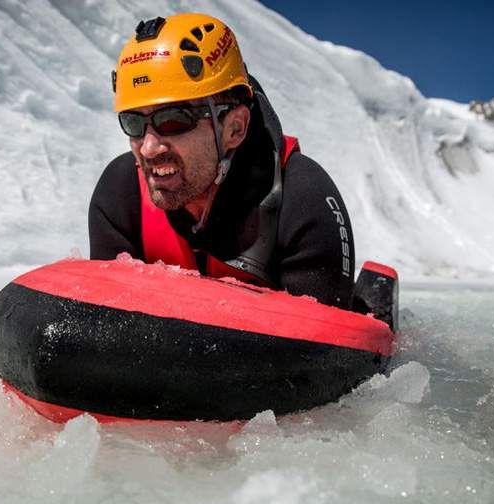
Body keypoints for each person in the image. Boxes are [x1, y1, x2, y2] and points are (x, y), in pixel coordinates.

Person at [89, 13, 356, 310]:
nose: (149, 148)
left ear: (234, 129)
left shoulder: (302, 198)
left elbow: (325, 350)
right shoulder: (121, 190)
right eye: (133, 122)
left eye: (174, 120)